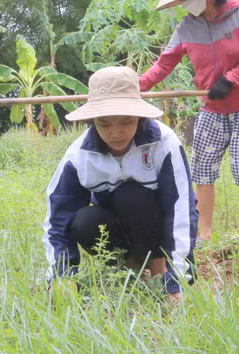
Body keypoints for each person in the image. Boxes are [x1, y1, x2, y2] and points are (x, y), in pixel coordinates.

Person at [139, 0, 239, 246]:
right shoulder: (187, 27)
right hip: (212, 106)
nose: (185, 4)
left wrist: (230, 79)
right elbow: (164, 64)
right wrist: (135, 86)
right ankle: (205, 234)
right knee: (203, 167)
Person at [42, 66, 197, 301]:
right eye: (104, 124)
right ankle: (128, 268)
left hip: (154, 224)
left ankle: (160, 269)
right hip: (115, 228)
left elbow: (181, 210)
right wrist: (61, 277)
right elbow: (58, 220)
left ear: (139, 117)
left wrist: (179, 281)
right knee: (82, 220)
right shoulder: (78, 156)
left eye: (126, 122)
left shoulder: (164, 145)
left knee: (132, 195)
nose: (116, 133)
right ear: (93, 121)